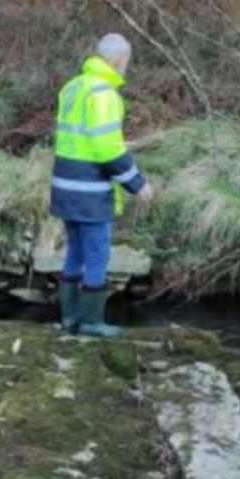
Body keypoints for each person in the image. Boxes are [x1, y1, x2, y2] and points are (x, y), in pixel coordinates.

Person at [50, 33, 155, 337]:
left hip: (65, 187)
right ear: (120, 61)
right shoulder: (105, 94)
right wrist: (138, 184)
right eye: (127, 62)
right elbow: (108, 150)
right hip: (90, 191)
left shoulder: (73, 87)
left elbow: (79, 137)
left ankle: (70, 320)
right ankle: (92, 323)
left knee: (74, 253)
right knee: (97, 254)